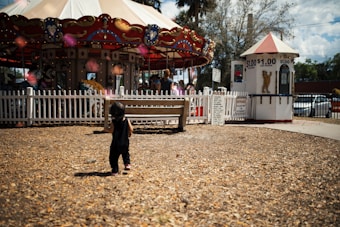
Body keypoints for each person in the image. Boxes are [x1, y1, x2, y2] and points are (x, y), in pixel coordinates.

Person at [106, 101, 133, 176]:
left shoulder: (114, 122)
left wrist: (106, 129)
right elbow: (131, 129)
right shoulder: (127, 120)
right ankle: (127, 164)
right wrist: (129, 133)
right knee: (125, 152)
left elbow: (111, 130)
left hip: (116, 143)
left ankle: (115, 170)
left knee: (113, 157)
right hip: (125, 142)